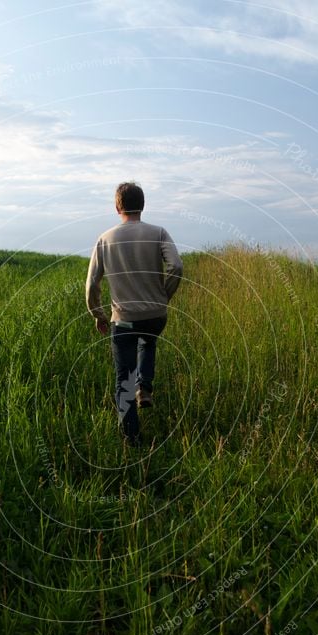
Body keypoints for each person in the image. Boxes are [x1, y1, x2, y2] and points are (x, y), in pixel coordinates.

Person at [85, 182, 183, 446]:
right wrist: (163, 297)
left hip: (124, 320)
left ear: (117, 206)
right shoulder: (158, 232)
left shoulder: (105, 239)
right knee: (149, 340)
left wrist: (98, 314)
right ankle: (145, 387)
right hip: (155, 316)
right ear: (143, 205)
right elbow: (176, 265)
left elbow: (92, 283)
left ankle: (132, 438)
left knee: (123, 378)